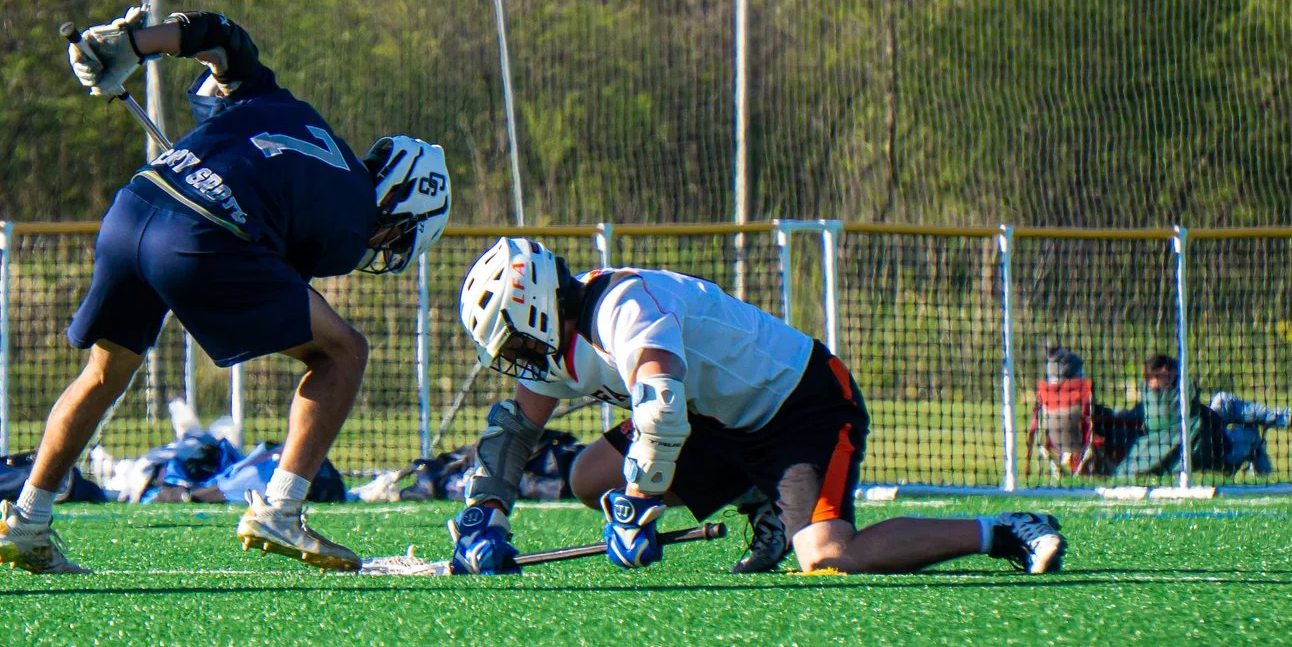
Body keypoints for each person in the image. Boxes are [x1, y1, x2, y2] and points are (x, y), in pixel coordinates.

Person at [0, 6, 451, 574]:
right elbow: (279, 285)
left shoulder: (286, 107)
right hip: (195, 235)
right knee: (344, 351)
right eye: (397, 233)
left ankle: (27, 520)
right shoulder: (354, 216)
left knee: (103, 374)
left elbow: (222, 38)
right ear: (398, 199)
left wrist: (134, 43)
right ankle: (281, 508)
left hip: (132, 208)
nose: (382, 245)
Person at [447, 237, 1066, 576]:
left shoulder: (621, 305)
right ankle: (758, 499)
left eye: (514, 339)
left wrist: (636, 504)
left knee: (827, 556)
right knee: (587, 477)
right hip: (720, 421)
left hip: (802, 404)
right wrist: (485, 514)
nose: (518, 358)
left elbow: (660, 406)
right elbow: (515, 432)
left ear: (535, 309)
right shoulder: (557, 339)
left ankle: (1003, 531)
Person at [1113, 353, 1292, 478]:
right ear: (1153, 378)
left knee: (1224, 401)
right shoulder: (1173, 400)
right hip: (1209, 452)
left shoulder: (1150, 404)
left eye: (1170, 372)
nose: (1169, 376)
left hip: (1204, 436)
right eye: (1162, 373)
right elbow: (1191, 391)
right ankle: (1266, 468)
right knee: (1251, 432)